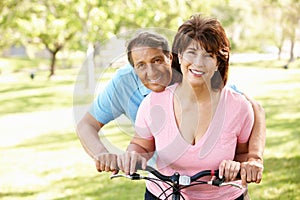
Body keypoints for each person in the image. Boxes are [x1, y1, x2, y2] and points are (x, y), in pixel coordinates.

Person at [76, 31, 265, 185]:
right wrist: (102, 155)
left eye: (157, 60)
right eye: (141, 65)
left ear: (171, 58)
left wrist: (254, 159)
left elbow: (253, 108)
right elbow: (86, 124)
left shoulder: (195, 76)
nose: (151, 72)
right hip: (163, 180)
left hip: (212, 182)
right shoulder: (124, 83)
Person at [117, 15, 259, 199]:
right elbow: (140, 145)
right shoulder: (154, 102)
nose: (198, 63)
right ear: (180, 55)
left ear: (218, 63)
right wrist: (133, 156)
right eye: (191, 52)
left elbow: (243, 153)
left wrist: (238, 166)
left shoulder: (238, 107)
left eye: (209, 55)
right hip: (162, 195)